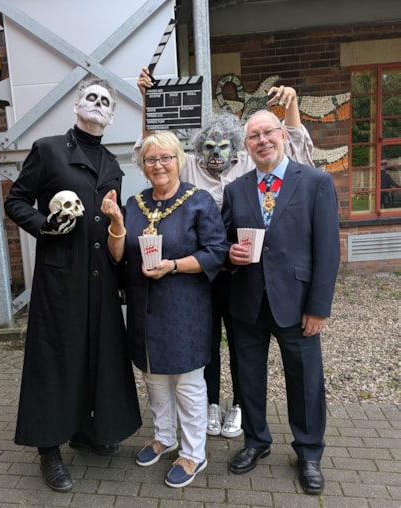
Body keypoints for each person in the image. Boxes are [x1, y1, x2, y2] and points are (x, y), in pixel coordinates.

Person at [135, 67, 315, 440]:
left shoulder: (250, 165)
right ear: (197, 149)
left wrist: (292, 106)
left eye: (224, 145)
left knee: (239, 342)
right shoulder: (187, 172)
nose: (216, 152)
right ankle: (211, 404)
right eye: (209, 146)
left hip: (240, 272)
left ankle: (237, 407)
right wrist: (147, 101)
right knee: (206, 339)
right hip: (199, 271)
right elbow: (152, 149)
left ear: (237, 147)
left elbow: (296, 151)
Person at [4, 77, 142, 492]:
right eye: (91, 97)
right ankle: (48, 447)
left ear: (112, 115)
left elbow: (110, 220)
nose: (98, 104)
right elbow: (16, 201)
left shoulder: (113, 165)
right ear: (77, 106)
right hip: (61, 276)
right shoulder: (49, 150)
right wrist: (45, 226)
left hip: (101, 276)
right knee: (55, 358)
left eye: (106, 101)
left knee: (96, 354)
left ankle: (86, 429)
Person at [221, 109, 340, 495]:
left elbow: (327, 251)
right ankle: (255, 441)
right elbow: (221, 241)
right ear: (246, 145)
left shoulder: (316, 182)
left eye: (268, 132)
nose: (261, 141)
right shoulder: (235, 189)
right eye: (253, 136)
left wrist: (319, 308)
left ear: (283, 136)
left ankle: (308, 453)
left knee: (306, 383)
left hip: (297, 303)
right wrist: (228, 254)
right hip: (248, 303)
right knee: (249, 379)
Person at [101, 130, 228, 488]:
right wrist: (116, 224)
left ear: (179, 161)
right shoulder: (134, 203)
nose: (158, 165)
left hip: (184, 308)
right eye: (151, 159)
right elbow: (118, 255)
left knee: (186, 381)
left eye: (165, 158)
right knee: (153, 375)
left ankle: (193, 452)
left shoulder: (198, 200)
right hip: (143, 307)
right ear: (143, 166)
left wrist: (172, 265)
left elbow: (216, 252)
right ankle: (165, 436)